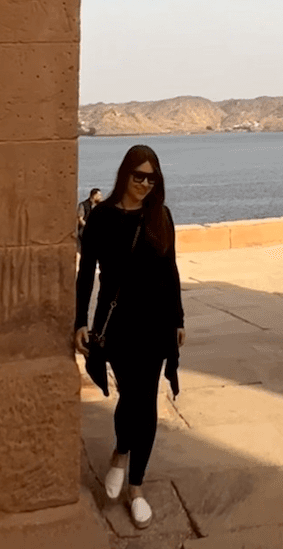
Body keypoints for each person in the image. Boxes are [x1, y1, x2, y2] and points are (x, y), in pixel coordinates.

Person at [74, 146, 185, 529]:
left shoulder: (161, 216)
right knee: (130, 396)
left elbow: (171, 271)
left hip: (155, 323)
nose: (144, 184)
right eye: (138, 176)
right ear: (125, 174)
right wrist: (79, 321)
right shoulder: (102, 218)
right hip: (117, 322)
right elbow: (86, 273)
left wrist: (178, 319)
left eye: (151, 178)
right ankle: (121, 450)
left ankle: (135, 486)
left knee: (146, 400)